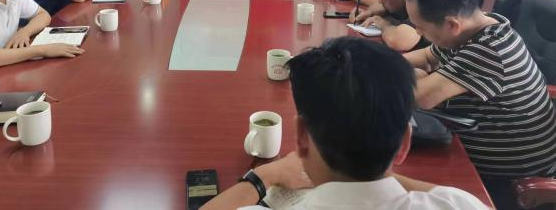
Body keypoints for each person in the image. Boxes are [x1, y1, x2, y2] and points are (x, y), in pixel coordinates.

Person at [201, 37, 488, 210]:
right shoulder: (459, 204)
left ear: (301, 136)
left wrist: (265, 174)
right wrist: (375, 171)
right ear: (405, 143)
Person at [405, 0, 556, 210]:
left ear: (452, 25)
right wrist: (382, 61)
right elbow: (426, 56)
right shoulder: (478, 27)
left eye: (420, 28)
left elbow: (420, 97)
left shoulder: (489, 49)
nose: (418, 34)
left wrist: (419, 78)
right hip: (467, 142)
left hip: (507, 178)